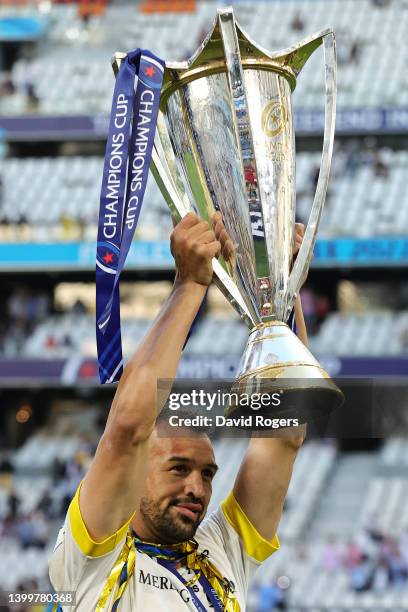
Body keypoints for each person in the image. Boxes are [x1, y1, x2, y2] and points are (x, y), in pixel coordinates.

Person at [49, 212, 307, 610]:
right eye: (178, 468)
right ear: (136, 473)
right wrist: (189, 284)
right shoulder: (94, 556)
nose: (197, 489)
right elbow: (129, 427)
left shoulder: (222, 548)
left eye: (206, 474)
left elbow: (284, 433)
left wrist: (282, 295)